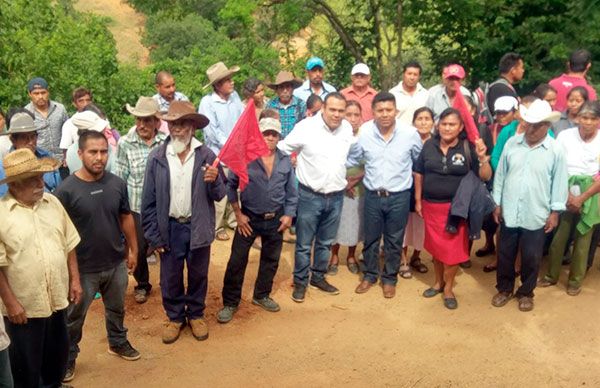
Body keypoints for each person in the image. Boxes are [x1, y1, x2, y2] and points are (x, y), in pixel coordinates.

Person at [55, 130, 141, 382]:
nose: (99, 157)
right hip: (82, 269)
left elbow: (125, 216)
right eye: (93, 152)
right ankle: (67, 358)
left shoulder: (116, 183)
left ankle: (117, 342)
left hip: (115, 262)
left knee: (116, 308)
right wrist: (71, 274)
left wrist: (133, 249)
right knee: (73, 318)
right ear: (79, 153)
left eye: (104, 151)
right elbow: (61, 234)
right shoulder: (66, 190)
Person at [141, 101, 225, 344]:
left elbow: (219, 195)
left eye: (182, 124)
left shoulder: (206, 155)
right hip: (169, 227)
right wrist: (153, 235)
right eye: (173, 124)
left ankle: (196, 314)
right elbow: (148, 200)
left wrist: (215, 179)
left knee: (198, 274)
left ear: (192, 127)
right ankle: (176, 316)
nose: (177, 129)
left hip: (197, 226)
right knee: (170, 275)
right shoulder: (157, 157)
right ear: (167, 126)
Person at [0, 148, 82, 388]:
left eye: (41, 176)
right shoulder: (2, 214)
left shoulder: (52, 202)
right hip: (23, 310)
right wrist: (11, 303)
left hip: (57, 300)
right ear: (14, 184)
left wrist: (75, 280)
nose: (41, 183)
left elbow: (69, 243)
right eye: (33, 179)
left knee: (56, 361)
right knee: (26, 370)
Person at [217, 118, 298, 323]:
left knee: (271, 260)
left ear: (279, 136)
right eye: (265, 133)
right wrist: (238, 214)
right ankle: (230, 302)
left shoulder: (286, 160)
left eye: (274, 134)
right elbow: (231, 186)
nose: (270, 137)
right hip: (249, 218)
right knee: (237, 260)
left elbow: (292, 191)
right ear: (258, 135)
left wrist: (288, 214)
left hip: (276, 218)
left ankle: (261, 295)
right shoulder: (245, 159)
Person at [491, 99, 568, 312]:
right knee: (505, 252)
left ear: (548, 126)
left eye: (537, 125)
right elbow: (501, 176)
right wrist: (497, 202)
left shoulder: (555, 150)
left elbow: (560, 183)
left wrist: (555, 212)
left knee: (532, 256)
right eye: (529, 124)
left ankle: (526, 292)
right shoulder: (512, 144)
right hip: (509, 210)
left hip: (537, 212)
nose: (531, 129)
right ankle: (504, 288)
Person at [278, 92, 354, 302]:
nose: (337, 115)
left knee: (326, 242)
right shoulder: (306, 127)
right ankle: (301, 282)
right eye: (333, 110)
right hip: (309, 196)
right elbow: (282, 148)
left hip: (337, 196)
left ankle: (318, 277)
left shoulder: (346, 128)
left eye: (341, 111)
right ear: (323, 109)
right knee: (304, 243)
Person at [414, 108, 492, 309]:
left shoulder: (468, 147)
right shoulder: (429, 145)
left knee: (452, 252)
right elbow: (419, 173)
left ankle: (448, 288)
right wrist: (418, 200)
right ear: (438, 126)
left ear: (460, 127)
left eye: (452, 124)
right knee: (436, 249)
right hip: (431, 207)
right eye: (444, 124)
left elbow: (485, 176)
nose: (447, 128)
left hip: (457, 210)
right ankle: (438, 283)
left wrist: (483, 158)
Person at [348, 92, 423, 298]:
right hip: (372, 194)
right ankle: (370, 275)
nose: (384, 114)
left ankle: (389, 279)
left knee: (394, 239)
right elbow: (354, 158)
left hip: (399, 196)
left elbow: (419, 161)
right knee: (371, 238)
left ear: (395, 111)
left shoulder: (409, 134)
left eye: (388, 110)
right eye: (380, 110)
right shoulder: (364, 132)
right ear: (372, 112)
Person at [539, 101, 600, 295]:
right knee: (559, 239)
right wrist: (567, 194)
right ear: (577, 118)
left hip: (592, 191)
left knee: (583, 240)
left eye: (592, 118)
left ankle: (575, 282)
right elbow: (555, 165)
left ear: (598, 121)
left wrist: (582, 198)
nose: (588, 122)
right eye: (584, 117)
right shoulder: (565, 136)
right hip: (564, 188)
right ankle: (551, 276)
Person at [115, 97, 167, 304]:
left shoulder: (165, 142)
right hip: (136, 207)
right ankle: (142, 284)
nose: (142, 125)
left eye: (147, 120)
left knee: (165, 246)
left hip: (163, 207)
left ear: (156, 122)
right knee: (138, 248)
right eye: (139, 120)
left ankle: (168, 283)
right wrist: (121, 210)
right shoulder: (125, 143)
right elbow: (120, 177)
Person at [198, 61, 243, 241]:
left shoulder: (235, 97)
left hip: (237, 153)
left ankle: (233, 220)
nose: (232, 82)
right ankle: (216, 226)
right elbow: (212, 131)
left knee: (236, 188)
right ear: (217, 85)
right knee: (220, 190)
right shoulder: (207, 102)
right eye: (227, 80)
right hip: (219, 154)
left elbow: (241, 121)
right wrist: (231, 144)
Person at [328, 100, 365, 276]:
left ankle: (351, 256)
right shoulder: (335, 136)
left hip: (359, 187)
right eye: (348, 114)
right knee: (337, 221)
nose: (352, 118)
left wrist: (354, 180)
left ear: (361, 117)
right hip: (337, 186)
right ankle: (334, 256)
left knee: (355, 222)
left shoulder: (367, 137)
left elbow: (371, 162)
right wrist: (344, 183)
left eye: (356, 115)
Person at [402, 107, 435, 276]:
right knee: (405, 225)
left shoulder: (438, 142)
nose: (423, 122)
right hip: (407, 188)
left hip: (428, 191)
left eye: (427, 118)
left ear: (433, 122)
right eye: (419, 118)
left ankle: (416, 257)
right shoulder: (406, 140)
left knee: (422, 226)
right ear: (413, 122)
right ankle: (403, 260)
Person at [0, 110, 62, 196]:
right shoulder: (5, 167)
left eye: (33, 136)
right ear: (13, 140)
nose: (30, 142)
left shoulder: (47, 157)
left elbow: (59, 188)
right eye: (24, 137)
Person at [24, 77, 68, 162]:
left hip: (62, 160)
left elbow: (68, 132)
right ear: (30, 94)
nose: (40, 96)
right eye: (36, 93)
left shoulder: (60, 109)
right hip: (40, 162)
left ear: (48, 92)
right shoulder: (26, 113)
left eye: (43, 93)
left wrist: (67, 155)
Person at [266, 71, 306, 138]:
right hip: (277, 145)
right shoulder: (270, 105)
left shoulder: (301, 105)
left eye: (288, 87)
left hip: (296, 145)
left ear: (292, 89)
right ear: (276, 90)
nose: (285, 91)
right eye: (281, 87)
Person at [59, 87, 93, 151]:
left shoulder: (101, 120)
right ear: (74, 104)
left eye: (88, 100)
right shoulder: (69, 124)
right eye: (81, 101)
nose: (85, 104)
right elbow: (66, 150)